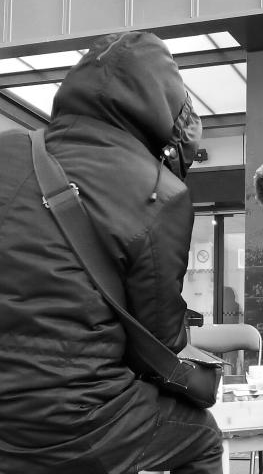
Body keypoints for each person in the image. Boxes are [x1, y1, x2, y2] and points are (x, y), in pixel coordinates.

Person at [0, 31, 222, 473]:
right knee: (201, 438)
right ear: (164, 111)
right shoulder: (160, 192)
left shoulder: (9, 148)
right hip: (69, 422)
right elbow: (161, 343)